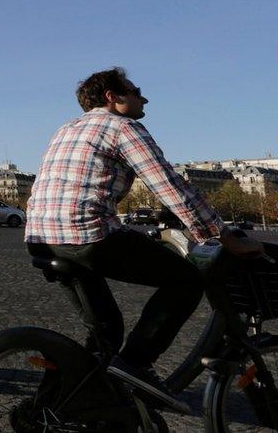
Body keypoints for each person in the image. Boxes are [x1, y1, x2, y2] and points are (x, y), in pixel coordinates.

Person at [25, 67, 263, 410]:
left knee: (105, 334)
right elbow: (170, 186)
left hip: (40, 236)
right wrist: (224, 236)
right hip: (85, 234)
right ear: (113, 97)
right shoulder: (123, 128)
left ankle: (57, 407)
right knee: (186, 280)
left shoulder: (66, 128)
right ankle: (135, 364)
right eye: (136, 91)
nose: (144, 97)